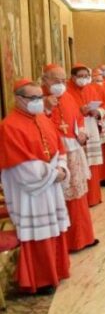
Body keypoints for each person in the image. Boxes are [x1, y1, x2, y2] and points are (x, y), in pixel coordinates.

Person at [0, 79, 71, 294]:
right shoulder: (8, 126)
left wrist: (61, 167)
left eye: (40, 97)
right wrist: (55, 173)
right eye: (34, 98)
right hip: (30, 191)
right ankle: (39, 279)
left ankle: (57, 270)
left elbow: (58, 148)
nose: (39, 101)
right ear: (19, 99)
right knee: (39, 235)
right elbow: (22, 167)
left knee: (53, 231)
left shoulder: (42, 119)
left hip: (50, 184)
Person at [41, 65, 99, 252]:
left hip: (74, 149)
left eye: (62, 80)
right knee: (65, 198)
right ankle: (70, 242)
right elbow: (40, 127)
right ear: (44, 80)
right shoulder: (40, 100)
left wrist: (81, 132)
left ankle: (83, 237)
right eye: (55, 80)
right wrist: (47, 110)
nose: (60, 84)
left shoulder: (67, 96)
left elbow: (77, 118)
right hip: (58, 155)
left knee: (79, 194)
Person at [67, 64, 104, 207]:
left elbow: (101, 106)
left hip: (91, 125)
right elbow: (66, 111)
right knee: (81, 164)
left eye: (86, 76)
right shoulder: (67, 91)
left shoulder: (90, 88)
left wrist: (97, 111)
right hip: (76, 129)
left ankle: (94, 197)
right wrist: (79, 110)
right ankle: (84, 200)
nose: (84, 79)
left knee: (93, 162)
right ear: (73, 77)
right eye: (80, 76)